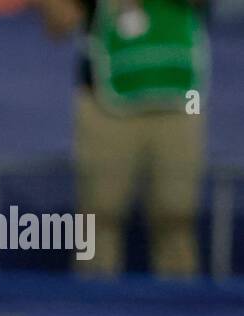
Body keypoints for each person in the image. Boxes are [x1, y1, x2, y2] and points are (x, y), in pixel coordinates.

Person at [38, 0, 210, 279]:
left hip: (184, 99)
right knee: (98, 221)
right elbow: (58, 24)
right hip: (105, 102)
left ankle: (180, 301)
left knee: (178, 218)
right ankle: (93, 300)